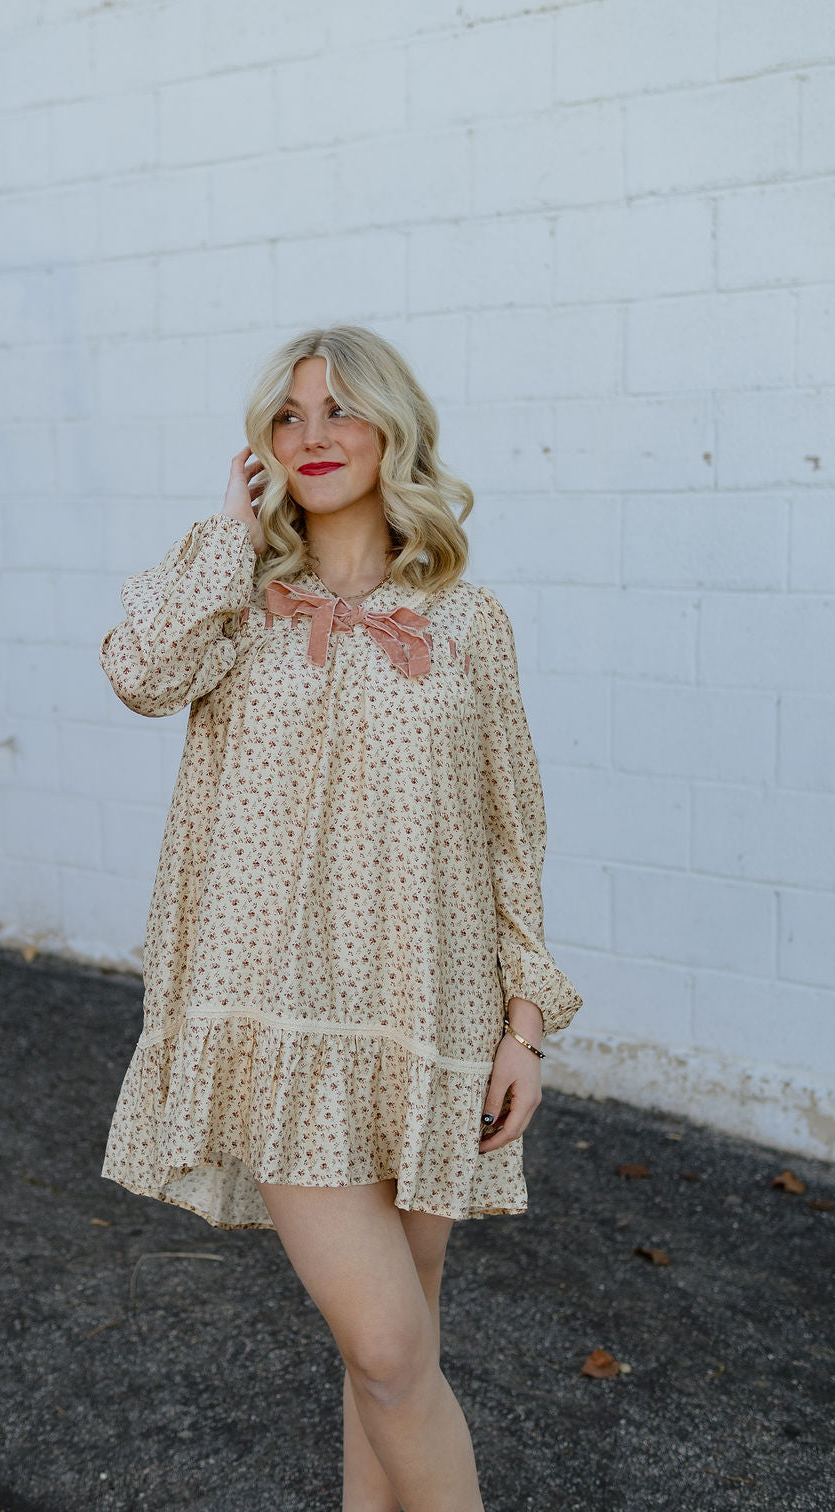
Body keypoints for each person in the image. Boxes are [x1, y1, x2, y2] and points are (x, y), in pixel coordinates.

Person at [98, 323, 584, 1511]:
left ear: (394, 432)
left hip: (430, 1025)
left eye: (340, 410)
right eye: (288, 415)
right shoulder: (232, 598)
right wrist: (225, 535)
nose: (313, 437)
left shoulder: (469, 625)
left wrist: (524, 1024)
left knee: (389, 1362)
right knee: (386, 1348)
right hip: (279, 1025)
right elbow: (134, 669)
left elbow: (509, 834)